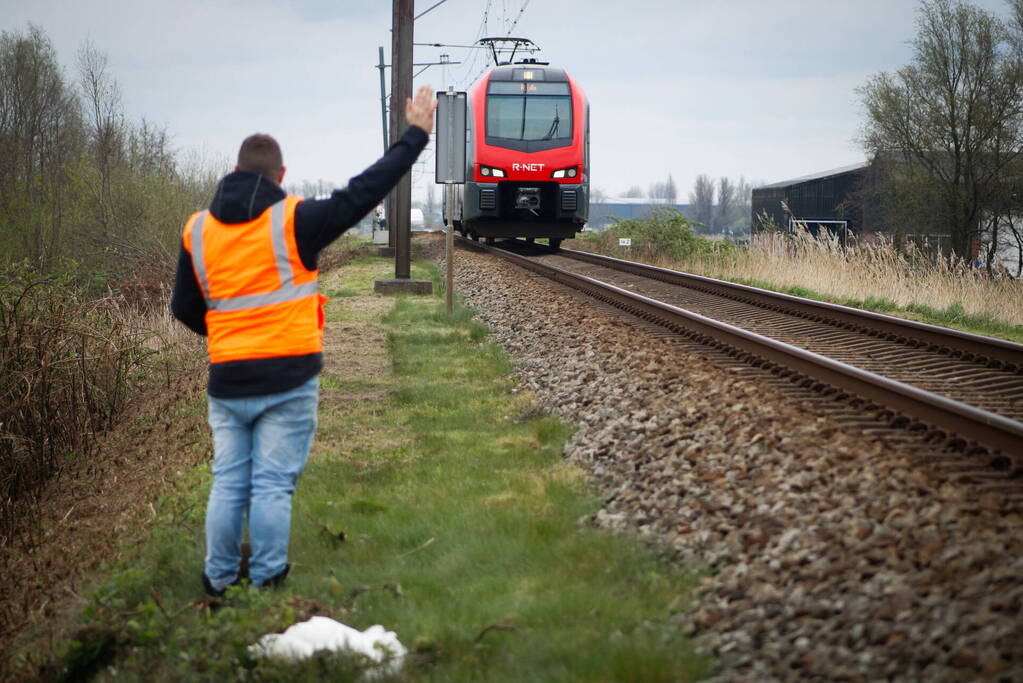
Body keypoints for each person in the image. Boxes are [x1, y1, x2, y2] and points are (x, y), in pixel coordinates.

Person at [172, 86, 437, 596]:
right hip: (289, 377)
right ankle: (267, 583)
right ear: (281, 177)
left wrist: (231, 334)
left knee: (229, 482)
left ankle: (219, 584)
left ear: (233, 172)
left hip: (228, 378)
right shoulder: (295, 220)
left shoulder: (198, 230)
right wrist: (416, 135)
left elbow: (185, 308)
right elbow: (364, 191)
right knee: (271, 483)